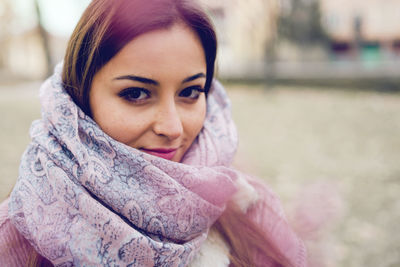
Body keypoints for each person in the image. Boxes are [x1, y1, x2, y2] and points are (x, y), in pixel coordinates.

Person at [0, 0, 307, 266]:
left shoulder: (254, 210)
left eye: (190, 92)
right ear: (79, 97)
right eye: (135, 94)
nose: (172, 128)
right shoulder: (15, 236)